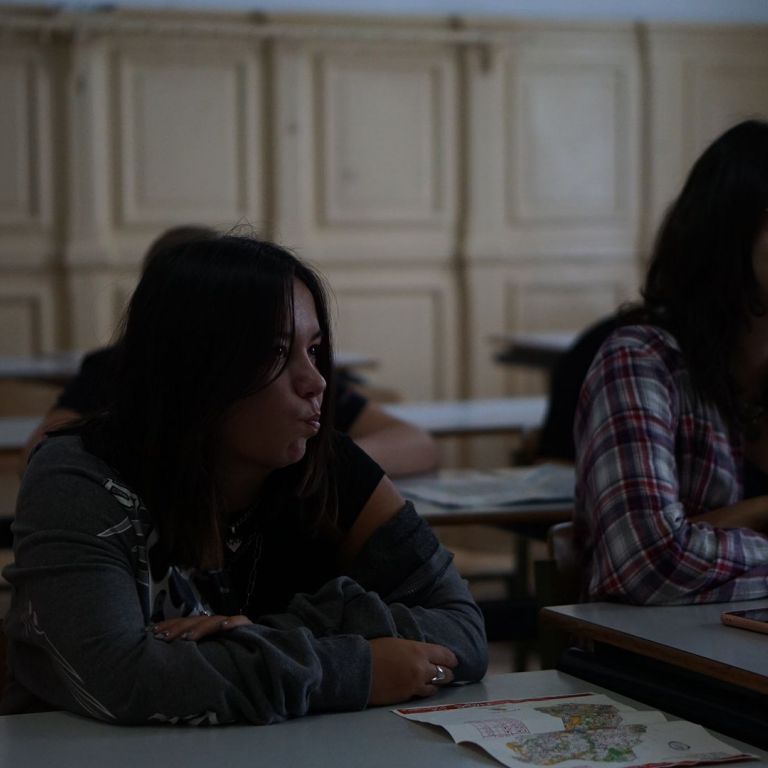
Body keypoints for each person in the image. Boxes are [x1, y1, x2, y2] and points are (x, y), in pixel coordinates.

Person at [1, 235, 487, 724]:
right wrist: (356, 667)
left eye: (314, 349)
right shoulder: (78, 478)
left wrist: (265, 632)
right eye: (276, 352)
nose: (316, 381)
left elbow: (464, 629)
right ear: (195, 368)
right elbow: (121, 680)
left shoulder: (329, 465)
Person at [22, 227, 438, 478]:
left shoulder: (294, 380)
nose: (315, 380)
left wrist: (315, 465)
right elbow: (44, 452)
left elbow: (416, 443)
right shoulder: (112, 370)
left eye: (311, 349)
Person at [574, 119, 768, 606]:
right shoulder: (641, 361)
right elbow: (647, 565)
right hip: (662, 651)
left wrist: (729, 523)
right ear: (732, 230)